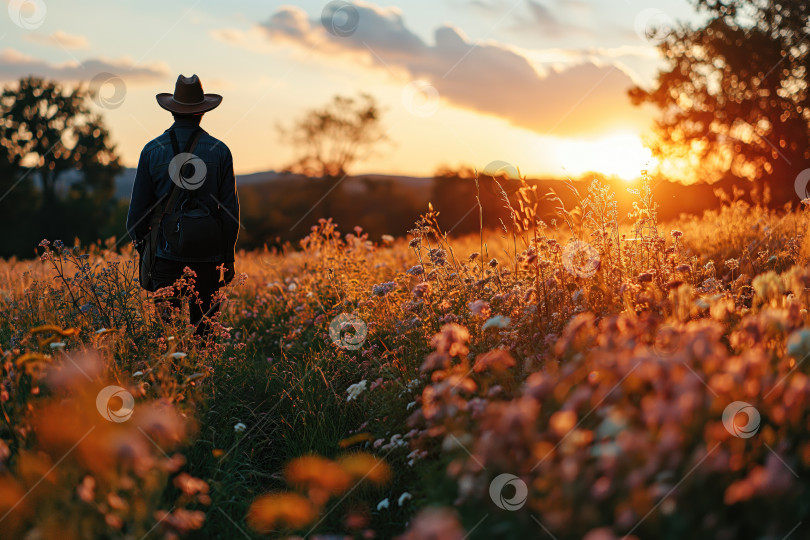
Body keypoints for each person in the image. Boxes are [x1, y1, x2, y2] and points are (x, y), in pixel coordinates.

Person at [127, 74, 239, 336]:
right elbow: (230, 213)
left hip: (165, 257)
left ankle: (173, 377)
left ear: (172, 110)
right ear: (202, 112)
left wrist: (148, 251)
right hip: (210, 259)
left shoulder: (151, 150)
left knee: (168, 338)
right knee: (206, 337)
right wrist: (228, 258)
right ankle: (204, 377)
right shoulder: (220, 151)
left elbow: (134, 218)